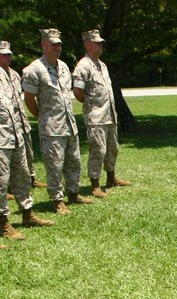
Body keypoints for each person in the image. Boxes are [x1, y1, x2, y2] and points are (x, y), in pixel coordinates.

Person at [22, 28, 93, 215]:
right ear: (43, 45)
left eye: (59, 44)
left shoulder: (63, 67)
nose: (58, 47)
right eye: (53, 44)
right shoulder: (34, 69)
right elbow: (29, 99)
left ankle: (74, 193)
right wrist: (42, 117)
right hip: (51, 127)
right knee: (54, 165)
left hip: (69, 124)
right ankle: (57, 200)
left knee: (74, 161)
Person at [0, 40, 53, 243]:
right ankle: (3, 222)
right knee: (2, 181)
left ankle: (27, 213)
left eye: (9, 54)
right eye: (3, 54)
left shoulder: (14, 76)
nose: (8, 57)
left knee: (23, 175)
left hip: (17, 134)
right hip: (1, 138)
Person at [73, 28, 130, 197]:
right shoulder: (83, 66)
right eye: (98, 43)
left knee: (112, 148)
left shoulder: (102, 65)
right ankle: (94, 184)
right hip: (96, 117)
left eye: (101, 43)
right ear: (87, 44)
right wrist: (92, 106)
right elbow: (78, 92)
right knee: (98, 151)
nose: (101, 45)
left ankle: (111, 178)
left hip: (109, 115)